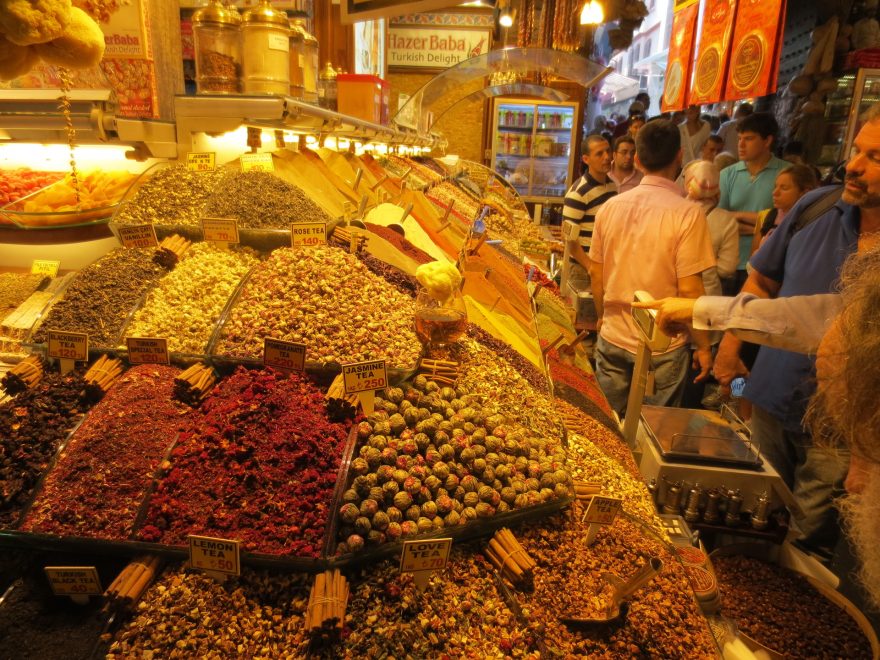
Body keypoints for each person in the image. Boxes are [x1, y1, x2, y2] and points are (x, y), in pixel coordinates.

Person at [712, 104, 880, 560]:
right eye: (856, 151)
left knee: (807, 544)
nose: (855, 167)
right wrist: (730, 345)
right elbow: (761, 282)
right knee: (747, 519)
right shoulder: (815, 207)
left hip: (839, 432)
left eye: (876, 158)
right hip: (771, 396)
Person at [588, 119, 715, 416]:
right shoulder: (688, 214)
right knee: (653, 434)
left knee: (607, 432)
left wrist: (602, 317)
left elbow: (596, 274)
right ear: (680, 157)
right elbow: (690, 290)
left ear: (637, 159)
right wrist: (704, 346)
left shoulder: (610, 207)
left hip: (615, 333)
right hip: (664, 344)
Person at [718, 112, 790, 291]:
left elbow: (786, 224)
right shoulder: (727, 174)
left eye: (749, 139)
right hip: (729, 261)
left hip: (768, 266)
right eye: (740, 138)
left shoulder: (786, 174)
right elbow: (719, 221)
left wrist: (737, 217)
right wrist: (763, 225)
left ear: (767, 141)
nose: (741, 145)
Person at [562, 135, 616, 287]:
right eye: (599, 154)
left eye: (608, 151)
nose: (606, 157)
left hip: (604, 267)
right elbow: (569, 238)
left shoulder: (612, 186)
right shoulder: (578, 193)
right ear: (586, 159)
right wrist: (590, 267)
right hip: (583, 269)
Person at [683, 160, 738, 296]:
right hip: (708, 297)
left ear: (688, 183)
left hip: (673, 292)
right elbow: (727, 268)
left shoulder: (674, 211)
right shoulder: (726, 220)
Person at [749, 164, 819, 255]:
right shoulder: (770, 215)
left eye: (784, 188)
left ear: (805, 193)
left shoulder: (812, 222)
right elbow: (753, 257)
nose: (775, 193)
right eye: (775, 186)